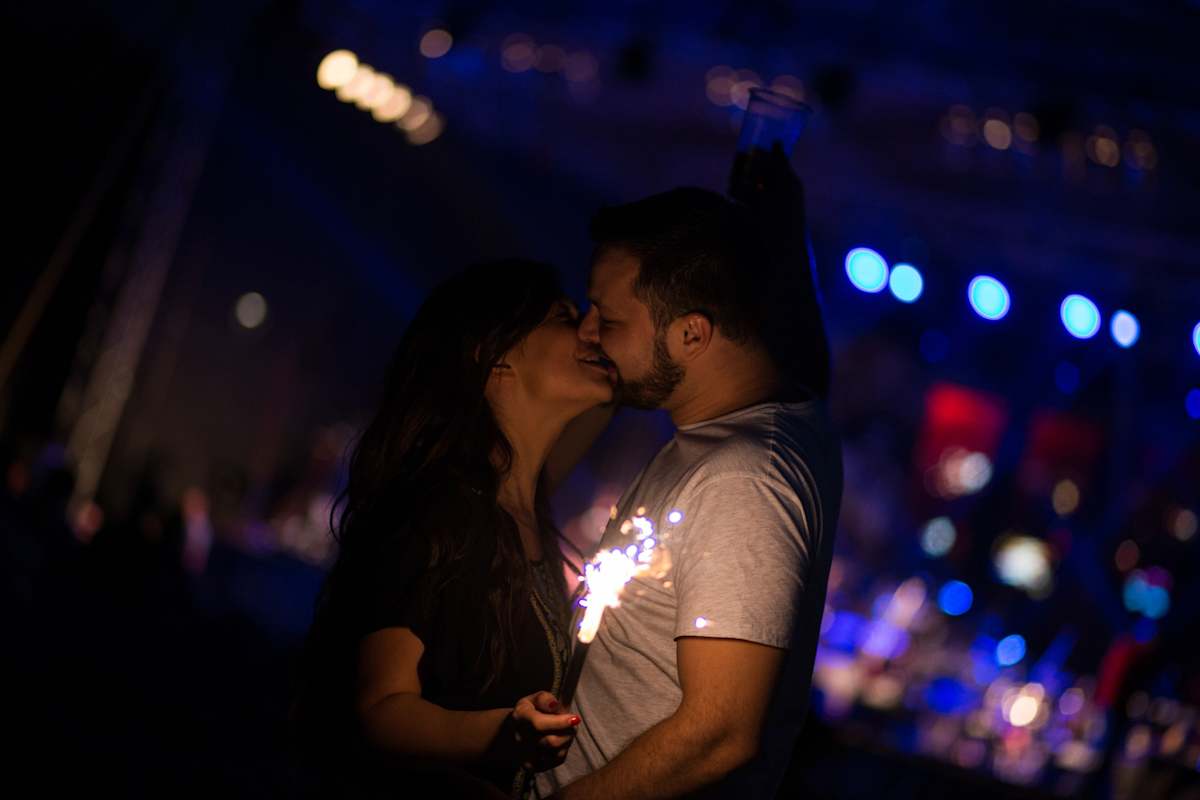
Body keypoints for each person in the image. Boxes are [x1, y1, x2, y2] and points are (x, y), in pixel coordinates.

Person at [537, 171, 843, 798]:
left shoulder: (744, 479)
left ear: (692, 334)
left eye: (609, 318)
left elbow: (720, 732)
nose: (588, 332)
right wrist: (784, 231)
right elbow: (808, 360)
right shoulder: (760, 421)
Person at [289, 259, 616, 798]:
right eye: (563, 316)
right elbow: (381, 708)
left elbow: (624, 385)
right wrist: (503, 733)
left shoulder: (526, 513)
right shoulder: (436, 513)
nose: (590, 328)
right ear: (495, 357)